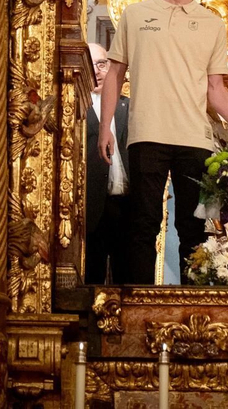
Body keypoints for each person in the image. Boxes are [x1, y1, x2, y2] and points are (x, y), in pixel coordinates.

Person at [98, 0, 228, 283]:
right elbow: (115, 74)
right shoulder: (136, 14)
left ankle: (190, 302)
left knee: (193, 228)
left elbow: (215, 87)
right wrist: (106, 128)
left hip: (194, 138)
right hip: (147, 132)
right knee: (143, 222)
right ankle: (142, 302)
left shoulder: (212, 23)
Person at [85, 42, 130, 283]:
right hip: (92, 205)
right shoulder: (75, 109)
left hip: (127, 204)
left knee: (129, 275)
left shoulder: (128, 107)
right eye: (90, 66)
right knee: (92, 274)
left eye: (101, 64)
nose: (97, 72)